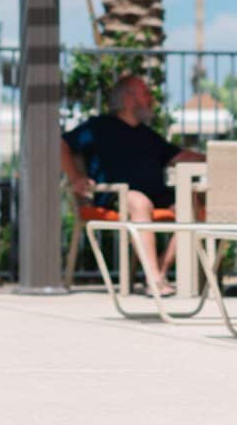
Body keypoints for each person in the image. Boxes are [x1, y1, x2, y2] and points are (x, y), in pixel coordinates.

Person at [61, 74, 204, 292]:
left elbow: (180, 156)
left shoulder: (148, 135)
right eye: (146, 93)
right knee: (139, 201)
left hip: (156, 196)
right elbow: (62, 144)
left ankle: (160, 271)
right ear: (128, 99)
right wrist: (75, 178)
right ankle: (155, 280)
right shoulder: (98, 127)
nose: (151, 99)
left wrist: (216, 156)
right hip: (117, 197)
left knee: (191, 202)